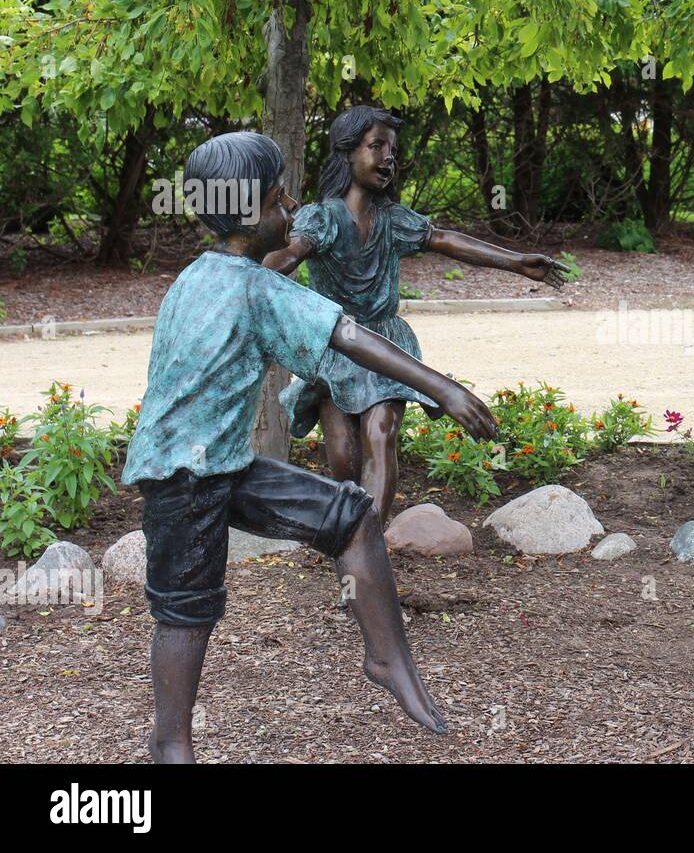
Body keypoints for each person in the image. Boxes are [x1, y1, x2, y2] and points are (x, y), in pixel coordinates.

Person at [122, 132, 498, 763]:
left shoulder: (198, 277)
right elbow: (346, 333)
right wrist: (445, 388)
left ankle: (387, 659)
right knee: (186, 614)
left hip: (223, 467)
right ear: (252, 214)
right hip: (182, 478)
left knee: (350, 516)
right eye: (279, 198)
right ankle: (170, 745)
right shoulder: (249, 286)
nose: (292, 206)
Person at [264, 105, 567, 525]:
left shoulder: (392, 218)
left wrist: (515, 262)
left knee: (379, 433)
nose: (388, 156)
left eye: (392, 148)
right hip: (336, 348)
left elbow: (443, 239)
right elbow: (292, 250)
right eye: (377, 146)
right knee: (342, 454)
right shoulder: (323, 218)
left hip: (387, 344)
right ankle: (350, 538)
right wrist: (252, 276)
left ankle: (367, 542)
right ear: (347, 152)